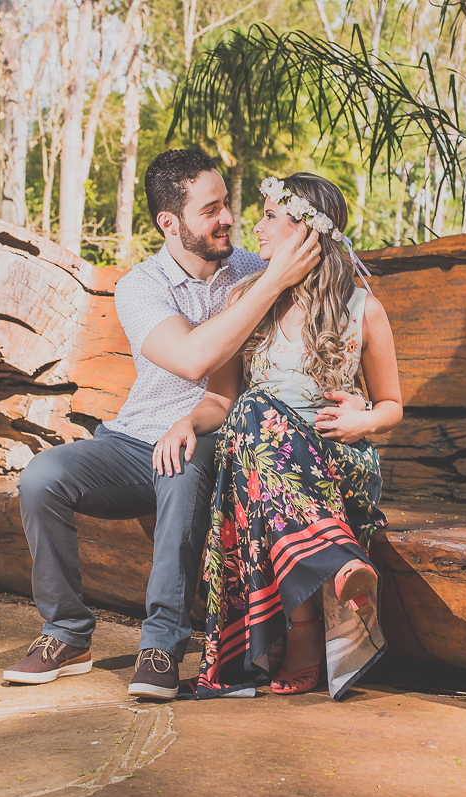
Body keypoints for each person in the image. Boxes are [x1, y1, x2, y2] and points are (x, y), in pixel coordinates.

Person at [5, 150, 323, 700]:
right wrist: (270, 285)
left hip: (216, 435)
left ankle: (161, 645)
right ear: (168, 223)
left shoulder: (253, 266)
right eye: (211, 210)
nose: (228, 218)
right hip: (132, 439)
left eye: (227, 204)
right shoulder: (141, 286)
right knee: (39, 478)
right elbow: (191, 360)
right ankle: (67, 632)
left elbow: (331, 299)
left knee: (179, 470)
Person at [158, 173, 403, 700]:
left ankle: (307, 627)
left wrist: (364, 421)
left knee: (255, 424)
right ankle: (334, 564)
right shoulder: (247, 301)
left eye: (271, 216)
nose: (256, 226)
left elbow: (392, 407)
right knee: (252, 412)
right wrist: (186, 422)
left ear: (306, 233)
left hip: (337, 465)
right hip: (262, 464)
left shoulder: (362, 309)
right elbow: (221, 400)